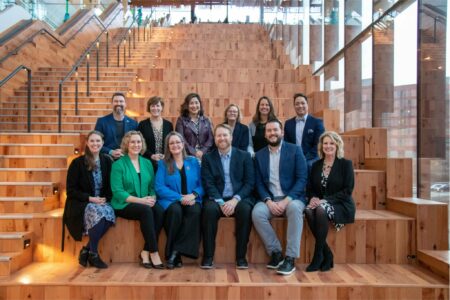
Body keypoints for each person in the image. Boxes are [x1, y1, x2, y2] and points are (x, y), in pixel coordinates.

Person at [252, 119, 308, 276]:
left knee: (295, 209)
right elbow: (258, 183)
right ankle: (276, 252)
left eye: (275, 130)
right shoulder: (259, 155)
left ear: (282, 132)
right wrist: (268, 201)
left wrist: (286, 200)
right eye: (269, 131)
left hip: (292, 198)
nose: (272, 133)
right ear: (265, 134)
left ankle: (290, 258)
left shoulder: (295, 150)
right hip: (270, 198)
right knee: (257, 213)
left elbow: (302, 178)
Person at [201, 124, 254, 269]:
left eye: (225, 135)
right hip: (216, 197)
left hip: (238, 197)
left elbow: (249, 183)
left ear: (231, 137)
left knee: (245, 210)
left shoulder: (244, 156)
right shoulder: (208, 158)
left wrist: (235, 200)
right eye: (219, 135)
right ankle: (208, 256)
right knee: (209, 211)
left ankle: (241, 257)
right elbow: (208, 183)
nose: (222, 138)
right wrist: (220, 202)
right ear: (215, 138)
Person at [110, 131, 164, 269]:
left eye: (139, 142)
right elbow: (118, 192)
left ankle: (145, 252)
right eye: (133, 142)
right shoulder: (118, 165)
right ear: (126, 145)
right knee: (146, 211)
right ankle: (154, 252)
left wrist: (152, 197)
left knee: (159, 210)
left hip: (145, 201)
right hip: (124, 204)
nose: (136, 145)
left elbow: (152, 186)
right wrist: (141, 201)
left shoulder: (147, 163)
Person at [63, 130, 115, 269]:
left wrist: (105, 199)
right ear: (87, 143)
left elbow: (111, 186)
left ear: (103, 143)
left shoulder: (107, 161)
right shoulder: (77, 163)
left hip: (101, 201)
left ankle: (87, 250)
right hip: (82, 202)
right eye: (92, 141)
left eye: (98, 141)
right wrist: (91, 198)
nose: (95, 143)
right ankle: (94, 254)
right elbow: (71, 191)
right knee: (97, 212)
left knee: (109, 215)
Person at [305, 131, 355, 272]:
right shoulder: (316, 165)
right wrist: (313, 198)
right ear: (321, 146)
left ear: (337, 145)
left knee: (320, 210)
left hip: (340, 203)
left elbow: (347, 190)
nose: (328, 146)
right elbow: (310, 188)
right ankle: (327, 253)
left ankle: (317, 255)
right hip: (321, 201)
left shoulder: (346, 164)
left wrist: (323, 201)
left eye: (332, 143)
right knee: (308, 210)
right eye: (325, 143)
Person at [155, 132, 203, 269]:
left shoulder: (193, 162)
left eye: (178, 142)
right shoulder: (163, 163)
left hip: (192, 199)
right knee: (175, 212)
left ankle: (174, 252)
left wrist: (194, 195)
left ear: (183, 144)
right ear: (168, 147)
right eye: (172, 143)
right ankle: (175, 254)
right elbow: (159, 187)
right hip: (171, 200)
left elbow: (202, 183)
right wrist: (180, 197)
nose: (175, 145)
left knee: (195, 212)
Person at [284, 93, 325, 169]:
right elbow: (286, 145)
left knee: (308, 166)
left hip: (311, 158)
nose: (300, 106)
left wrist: (303, 159)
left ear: (307, 105)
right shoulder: (288, 124)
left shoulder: (317, 123)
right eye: (297, 104)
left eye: (303, 103)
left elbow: (318, 145)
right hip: (293, 157)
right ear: (294, 106)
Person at [95, 92, 138, 159]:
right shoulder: (102, 122)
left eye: (121, 101)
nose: (118, 103)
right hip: (107, 159)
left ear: (125, 104)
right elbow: (96, 143)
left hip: (127, 158)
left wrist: (125, 151)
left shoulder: (133, 123)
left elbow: (137, 143)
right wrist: (111, 151)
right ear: (112, 104)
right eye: (116, 101)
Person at [138, 96, 174, 170]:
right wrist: (151, 155)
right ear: (149, 108)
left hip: (165, 162)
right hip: (147, 162)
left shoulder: (169, 125)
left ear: (162, 108)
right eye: (152, 106)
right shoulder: (142, 124)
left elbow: (171, 143)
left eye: (158, 106)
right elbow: (140, 144)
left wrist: (166, 155)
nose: (155, 108)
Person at [175, 93, 214, 160]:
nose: (194, 105)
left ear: (200, 104)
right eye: (191, 103)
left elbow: (210, 139)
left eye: (196, 103)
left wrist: (202, 151)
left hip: (205, 155)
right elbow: (180, 139)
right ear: (187, 105)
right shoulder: (181, 120)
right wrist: (194, 152)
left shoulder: (206, 120)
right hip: (188, 156)